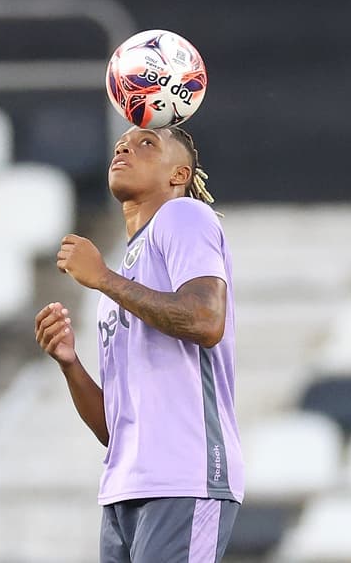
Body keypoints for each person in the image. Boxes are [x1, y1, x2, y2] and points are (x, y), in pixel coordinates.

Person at [34, 125, 243, 563]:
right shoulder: (124, 276)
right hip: (124, 489)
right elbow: (114, 429)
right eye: (121, 144)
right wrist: (70, 364)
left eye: (147, 143)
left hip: (185, 476)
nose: (126, 147)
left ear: (179, 174)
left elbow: (207, 320)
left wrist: (103, 279)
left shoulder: (184, 216)